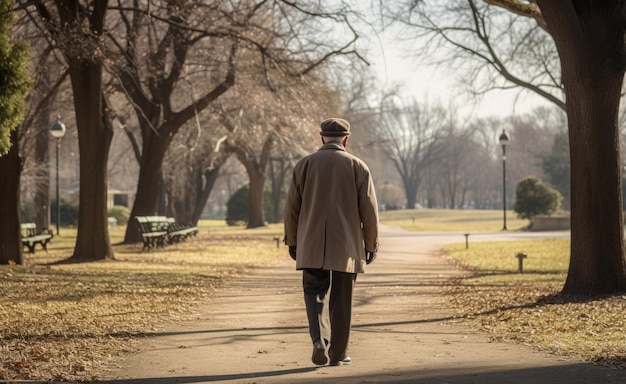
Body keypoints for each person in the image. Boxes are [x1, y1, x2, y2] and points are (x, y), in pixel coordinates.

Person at [283, 117, 379, 366]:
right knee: (342, 296)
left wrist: (293, 241)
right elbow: (369, 212)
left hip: (311, 242)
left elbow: (292, 208)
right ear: (346, 139)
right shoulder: (358, 166)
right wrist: (371, 245)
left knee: (314, 292)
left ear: (321, 137)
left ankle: (319, 340)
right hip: (346, 245)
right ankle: (338, 354)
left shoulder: (304, 165)